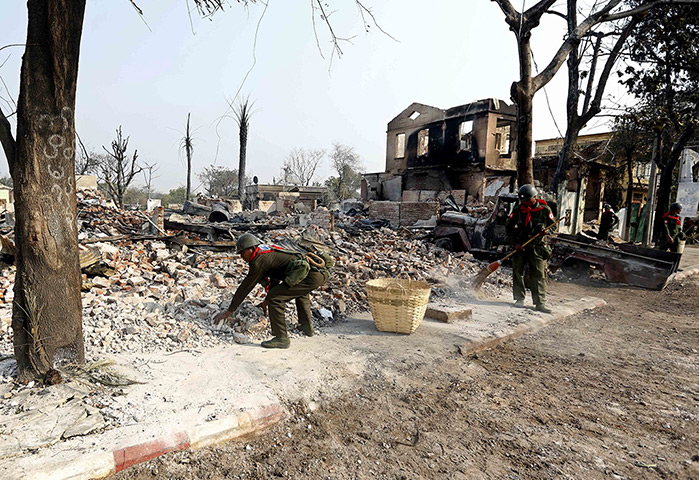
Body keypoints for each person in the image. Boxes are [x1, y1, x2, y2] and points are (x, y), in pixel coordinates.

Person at [213, 233, 329, 349]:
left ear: (251, 248)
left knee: (275, 297)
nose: (241, 256)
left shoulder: (259, 261)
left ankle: (281, 338)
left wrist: (228, 311)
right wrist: (265, 302)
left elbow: (245, 288)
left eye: (243, 252)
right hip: (317, 274)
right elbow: (275, 279)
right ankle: (306, 327)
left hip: (311, 275)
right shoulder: (266, 252)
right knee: (299, 292)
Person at [506, 184, 556, 313]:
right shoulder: (518, 210)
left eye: (527, 200)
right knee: (518, 272)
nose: (525, 203)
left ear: (535, 197)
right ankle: (519, 299)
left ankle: (540, 303)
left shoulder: (545, 210)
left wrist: (546, 231)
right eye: (523, 201)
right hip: (521, 245)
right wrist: (515, 243)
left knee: (538, 274)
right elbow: (509, 228)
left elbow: (553, 226)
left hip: (537, 247)